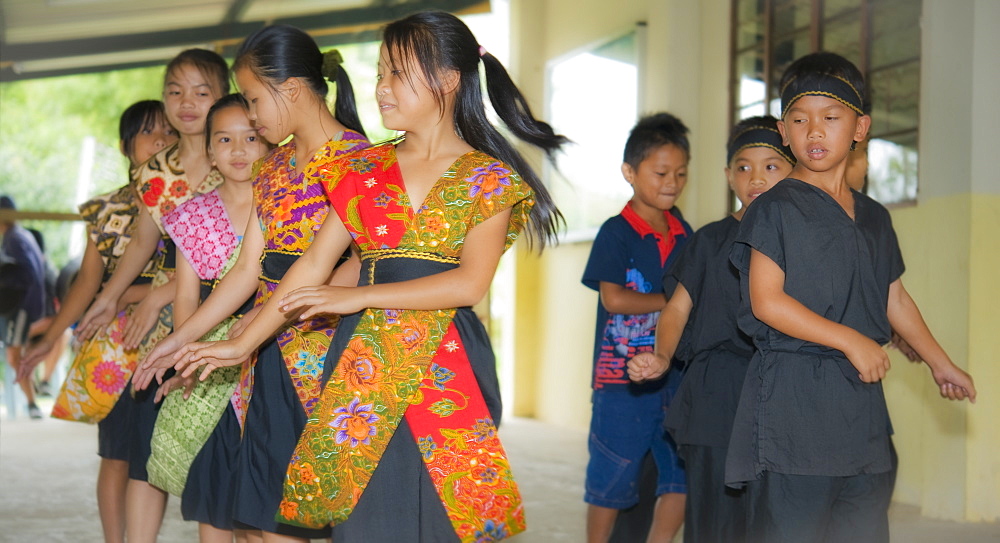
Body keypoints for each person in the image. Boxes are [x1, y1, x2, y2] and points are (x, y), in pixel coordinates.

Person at [167, 10, 566, 542]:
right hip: (360, 359)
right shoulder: (362, 169)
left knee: (444, 518)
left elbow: (469, 284)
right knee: (363, 517)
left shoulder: (488, 178)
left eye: (396, 74)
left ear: (448, 80)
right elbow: (310, 265)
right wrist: (244, 344)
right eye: (379, 73)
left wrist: (357, 296)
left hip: (446, 362)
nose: (381, 88)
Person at [724, 52, 976, 542]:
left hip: (859, 412)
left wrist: (940, 364)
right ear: (784, 131)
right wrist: (849, 340)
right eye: (800, 120)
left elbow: (894, 299)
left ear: (860, 127)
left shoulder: (874, 216)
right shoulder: (775, 208)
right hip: (794, 407)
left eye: (830, 119)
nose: (814, 131)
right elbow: (766, 302)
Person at [133, 24, 369, 541]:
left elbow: (356, 264)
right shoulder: (276, 166)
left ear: (291, 87)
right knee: (257, 520)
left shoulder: (360, 161)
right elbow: (246, 270)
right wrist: (179, 342)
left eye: (256, 101)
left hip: (323, 352)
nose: (254, 117)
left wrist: (250, 338)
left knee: (297, 519)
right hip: (265, 352)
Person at [75, 48, 230, 543]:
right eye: (175, 91)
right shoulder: (155, 170)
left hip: (229, 307)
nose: (186, 103)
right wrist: (110, 296)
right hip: (162, 325)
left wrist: (161, 293)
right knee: (145, 451)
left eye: (201, 92)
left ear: (225, 96)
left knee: (219, 454)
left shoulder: (238, 150)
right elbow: (145, 237)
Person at [628, 115, 794, 543]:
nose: (756, 177)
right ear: (727, 176)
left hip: (786, 391)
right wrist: (662, 355)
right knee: (714, 523)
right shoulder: (708, 240)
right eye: (743, 167)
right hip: (716, 394)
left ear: (795, 171)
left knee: (776, 520)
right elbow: (677, 310)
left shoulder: (806, 240)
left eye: (772, 166)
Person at [18, 100, 176, 543]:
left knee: (149, 456)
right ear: (127, 147)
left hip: (169, 334)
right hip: (117, 343)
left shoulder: (192, 198)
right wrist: (49, 338)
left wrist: (136, 293)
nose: (161, 141)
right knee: (115, 455)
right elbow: (87, 283)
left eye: (168, 132)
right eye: (149, 133)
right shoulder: (106, 210)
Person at [146, 93, 269, 543]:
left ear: (270, 140)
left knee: (266, 498)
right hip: (213, 361)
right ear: (210, 149)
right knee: (216, 493)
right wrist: (185, 357)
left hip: (278, 349)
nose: (239, 150)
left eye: (251, 138)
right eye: (225, 139)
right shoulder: (192, 216)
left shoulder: (289, 205)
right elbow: (185, 297)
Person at [580, 113, 692, 543]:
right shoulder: (616, 232)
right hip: (619, 382)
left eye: (681, 173)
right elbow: (614, 299)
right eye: (661, 172)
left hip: (676, 377)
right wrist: (676, 301)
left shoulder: (687, 234)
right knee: (612, 476)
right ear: (630, 172)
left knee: (681, 475)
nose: (673, 182)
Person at [0, 195, 47, 419]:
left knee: (13, 356)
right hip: (26, 307)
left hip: (20, 308)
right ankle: (32, 398)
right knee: (16, 355)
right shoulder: (20, 235)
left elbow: (26, 276)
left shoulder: (14, 239)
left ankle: (32, 403)